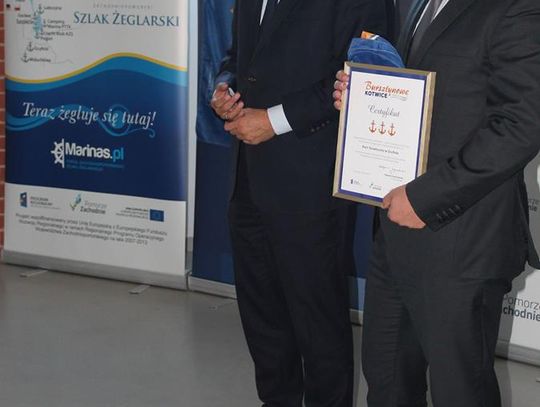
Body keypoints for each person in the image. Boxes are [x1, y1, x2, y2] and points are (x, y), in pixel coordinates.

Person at [333, 0, 540, 406]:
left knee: (459, 391)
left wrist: (426, 199)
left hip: (462, 242)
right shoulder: (415, 5)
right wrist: (362, 95)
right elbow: (415, 92)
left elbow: (522, 124)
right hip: (395, 232)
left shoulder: (517, 7)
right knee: (387, 382)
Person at [210, 1, 388, 406]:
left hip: (309, 181)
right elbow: (239, 56)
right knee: (263, 319)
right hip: (247, 177)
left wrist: (274, 120)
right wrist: (224, 88)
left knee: (318, 325)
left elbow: (361, 73)